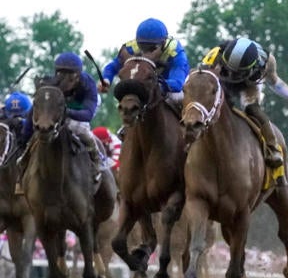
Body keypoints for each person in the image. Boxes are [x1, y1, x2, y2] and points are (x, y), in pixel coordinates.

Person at [201, 37, 288, 173]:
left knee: (252, 109)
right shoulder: (215, 55)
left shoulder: (267, 62)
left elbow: (275, 83)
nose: (232, 74)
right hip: (219, 79)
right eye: (229, 69)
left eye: (237, 72)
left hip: (248, 86)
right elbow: (200, 77)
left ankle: (273, 148)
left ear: (254, 66)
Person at [17, 52, 103, 194]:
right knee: (39, 132)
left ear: (78, 75)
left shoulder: (88, 84)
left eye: (70, 76)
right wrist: (25, 136)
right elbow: (33, 110)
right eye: (61, 74)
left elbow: (87, 115)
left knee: (82, 131)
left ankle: (97, 160)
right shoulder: (53, 83)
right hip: (57, 111)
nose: (65, 80)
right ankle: (23, 164)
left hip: (80, 110)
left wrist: (67, 112)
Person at [99, 18, 190, 107]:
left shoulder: (175, 53)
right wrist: (107, 79)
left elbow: (177, 83)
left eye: (152, 48)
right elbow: (112, 67)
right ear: (137, 42)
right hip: (145, 85)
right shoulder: (132, 47)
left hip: (167, 86)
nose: (146, 53)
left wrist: (154, 85)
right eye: (142, 46)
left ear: (164, 43)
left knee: (176, 97)